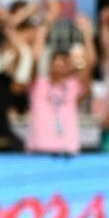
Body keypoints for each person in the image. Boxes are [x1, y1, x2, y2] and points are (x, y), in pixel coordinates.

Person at [25, 16, 97, 155]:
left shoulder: (73, 85)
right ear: (49, 64)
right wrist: (41, 34)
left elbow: (90, 63)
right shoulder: (38, 83)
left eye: (63, 61)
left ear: (69, 66)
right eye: (55, 61)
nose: (58, 64)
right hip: (39, 148)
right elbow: (35, 59)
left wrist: (86, 34)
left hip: (67, 149)